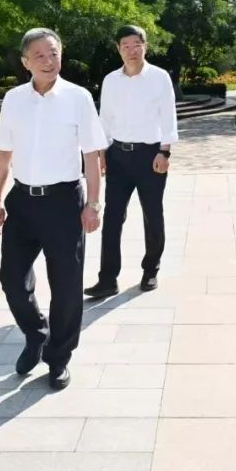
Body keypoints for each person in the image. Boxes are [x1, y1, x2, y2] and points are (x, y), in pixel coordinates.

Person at [0, 28, 108, 390]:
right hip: (22, 202)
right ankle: (36, 332)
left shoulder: (78, 97)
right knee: (11, 279)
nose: (48, 60)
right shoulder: (13, 100)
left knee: (67, 287)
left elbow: (92, 156)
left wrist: (93, 203)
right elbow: (3, 155)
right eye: (39, 55)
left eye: (53, 53)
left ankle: (59, 357)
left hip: (64, 202)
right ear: (25, 62)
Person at [84, 25, 178, 298]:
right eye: (125, 45)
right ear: (118, 49)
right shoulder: (111, 80)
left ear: (145, 46)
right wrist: (102, 151)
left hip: (151, 156)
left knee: (152, 214)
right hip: (118, 156)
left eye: (136, 44)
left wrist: (165, 152)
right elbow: (105, 118)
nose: (131, 50)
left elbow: (168, 116)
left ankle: (150, 270)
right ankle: (107, 279)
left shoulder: (159, 77)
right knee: (113, 217)